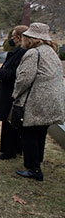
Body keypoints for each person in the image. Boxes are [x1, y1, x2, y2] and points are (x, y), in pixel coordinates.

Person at [12, 22, 65, 181]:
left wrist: (16, 94)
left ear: (31, 38)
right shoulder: (51, 52)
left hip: (37, 101)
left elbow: (24, 79)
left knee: (29, 133)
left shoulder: (33, 53)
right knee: (40, 133)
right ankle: (37, 162)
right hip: (52, 101)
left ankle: (33, 168)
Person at [0, 26, 27, 160]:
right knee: (8, 121)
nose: (11, 38)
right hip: (7, 91)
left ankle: (10, 150)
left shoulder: (22, 53)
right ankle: (10, 148)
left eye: (13, 36)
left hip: (12, 92)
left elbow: (15, 74)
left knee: (10, 122)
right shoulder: (17, 52)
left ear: (18, 37)